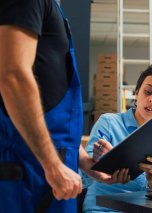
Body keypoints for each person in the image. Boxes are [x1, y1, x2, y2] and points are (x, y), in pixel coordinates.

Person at [0, 1, 120, 212]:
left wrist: (84, 161)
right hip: (27, 168)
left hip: (51, 168)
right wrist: (52, 164)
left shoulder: (51, 6)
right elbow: (13, 76)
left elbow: (48, 97)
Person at [82, 61, 152, 212]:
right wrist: (107, 163)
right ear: (136, 93)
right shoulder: (108, 122)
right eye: (148, 92)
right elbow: (85, 174)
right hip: (102, 208)